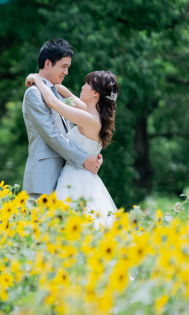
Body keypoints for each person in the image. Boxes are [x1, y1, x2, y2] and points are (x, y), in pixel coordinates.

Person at [24, 62, 119, 226]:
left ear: (95, 93)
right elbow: (67, 95)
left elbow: (54, 103)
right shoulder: (90, 112)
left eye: (86, 85)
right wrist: (46, 80)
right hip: (79, 175)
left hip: (75, 179)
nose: (82, 87)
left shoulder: (88, 118)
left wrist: (36, 80)